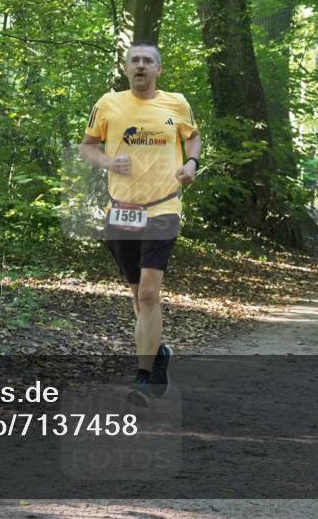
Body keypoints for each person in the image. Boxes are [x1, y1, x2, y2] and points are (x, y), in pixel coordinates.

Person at [80, 41, 201, 405]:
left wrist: (191, 164)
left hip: (163, 208)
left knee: (149, 293)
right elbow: (87, 147)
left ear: (158, 69)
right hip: (121, 211)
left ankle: (143, 379)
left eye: (148, 61)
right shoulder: (108, 104)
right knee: (136, 295)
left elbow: (193, 138)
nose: (141, 66)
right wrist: (107, 162)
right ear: (126, 68)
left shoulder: (176, 103)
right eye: (135, 60)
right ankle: (158, 352)